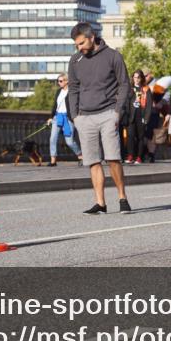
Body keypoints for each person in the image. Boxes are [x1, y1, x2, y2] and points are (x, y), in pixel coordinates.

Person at [67, 22, 132, 215]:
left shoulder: (113, 56)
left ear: (91, 37)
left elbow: (124, 85)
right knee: (93, 162)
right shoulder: (75, 60)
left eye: (80, 43)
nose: (79, 48)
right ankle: (100, 203)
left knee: (113, 158)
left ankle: (122, 198)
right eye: (76, 45)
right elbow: (73, 89)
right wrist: (75, 116)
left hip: (107, 114)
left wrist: (117, 112)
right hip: (84, 117)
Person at [46, 73, 83, 166]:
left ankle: (80, 155)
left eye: (61, 81)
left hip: (68, 118)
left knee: (69, 142)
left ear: (67, 81)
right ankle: (53, 160)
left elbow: (77, 104)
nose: (59, 83)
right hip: (57, 117)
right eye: (58, 81)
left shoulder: (72, 92)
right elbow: (55, 105)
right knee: (52, 138)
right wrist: (51, 117)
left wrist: (75, 116)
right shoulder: (59, 91)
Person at [124, 70, 153, 164]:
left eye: (138, 77)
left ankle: (139, 157)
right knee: (130, 136)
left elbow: (149, 105)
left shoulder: (145, 89)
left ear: (142, 78)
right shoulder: (130, 89)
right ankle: (130, 155)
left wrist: (146, 118)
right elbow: (126, 102)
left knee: (140, 137)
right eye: (135, 77)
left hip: (141, 116)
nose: (136, 79)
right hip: (131, 116)